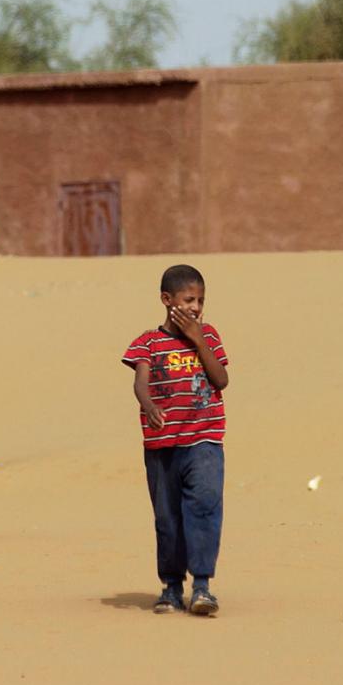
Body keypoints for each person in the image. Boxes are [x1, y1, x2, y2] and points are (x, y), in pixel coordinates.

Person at [121, 264, 230, 616]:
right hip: (162, 444)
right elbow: (141, 380)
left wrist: (197, 339)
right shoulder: (147, 342)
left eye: (200, 300)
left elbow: (221, 379)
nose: (196, 307)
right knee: (167, 518)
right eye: (188, 300)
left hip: (204, 440)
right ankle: (170, 587)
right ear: (167, 300)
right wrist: (148, 403)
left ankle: (202, 586)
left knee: (204, 505)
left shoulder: (209, 335)